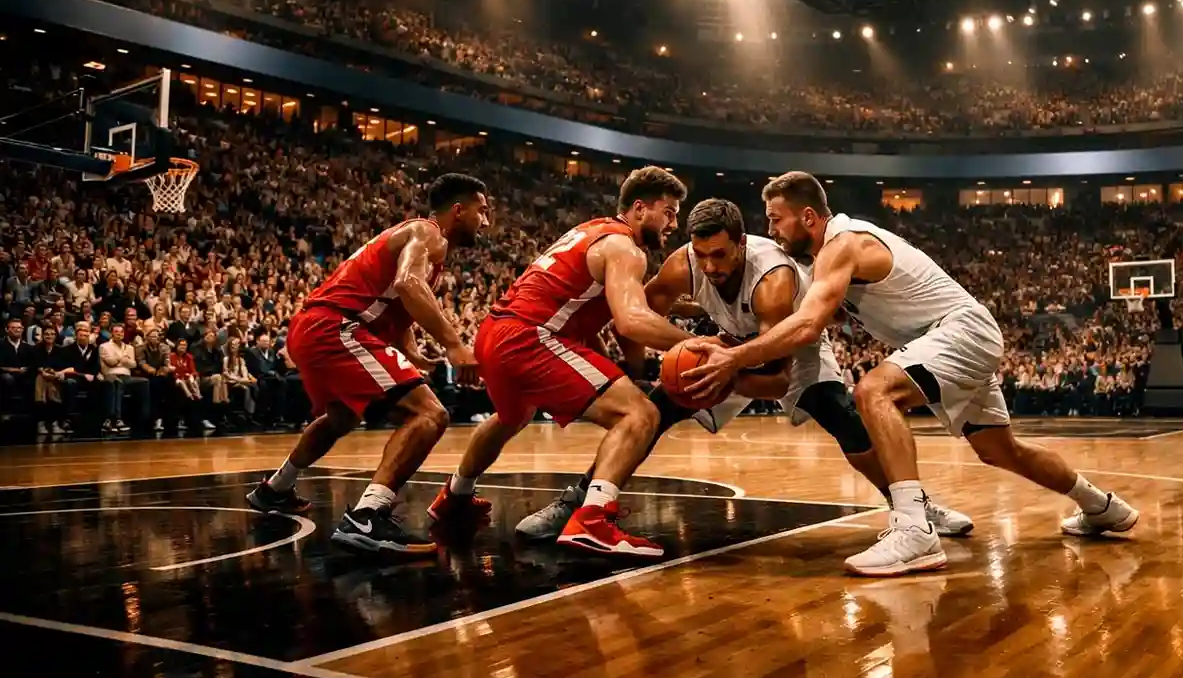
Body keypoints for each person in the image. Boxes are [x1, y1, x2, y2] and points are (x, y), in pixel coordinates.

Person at [683, 171, 1139, 577]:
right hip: (954, 336)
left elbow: (806, 325)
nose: (771, 231)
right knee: (1001, 450)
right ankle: (1101, 507)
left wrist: (734, 359)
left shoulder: (844, 244)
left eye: (774, 219)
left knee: (873, 391)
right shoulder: (829, 254)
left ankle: (913, 530)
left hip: (959, 331)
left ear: (807, 217)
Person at [514, 198, 973, 542]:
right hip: (726, 341)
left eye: (720, 255)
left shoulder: (773, 279)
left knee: (843, 418)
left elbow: (775, 380)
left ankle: (913, 508)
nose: (709, 266)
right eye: (702, 255)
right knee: (651, 409)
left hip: (789, 344)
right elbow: (638, 315)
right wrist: (646, 369)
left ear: (742, 243)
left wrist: (726, 370)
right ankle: (581, 500)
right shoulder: (684, 264)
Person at [434, 167, 692, 557]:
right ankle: (593, 520)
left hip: (496, 331)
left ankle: (455, 496)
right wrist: (701, 344)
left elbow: (586, 323)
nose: (674, 223)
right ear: (640, 208)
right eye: (669, 212)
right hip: (529, 337)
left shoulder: (591, 231)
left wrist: (618, 373)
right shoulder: (625, 248)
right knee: (640, 415)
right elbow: (632, 321)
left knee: (511, 417)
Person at [245, 173, 490, 556]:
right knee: (429, 414)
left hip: (315, 327)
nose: (486, 221)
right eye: (482, 211)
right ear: (458, 210)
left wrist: (411, 353)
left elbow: (396, 306)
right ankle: (367, 516)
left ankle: (274, 487)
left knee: (342, 418)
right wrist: (454, 345)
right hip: (336, 326)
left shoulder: (420, 243)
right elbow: (409, 285)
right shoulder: (429, 234)